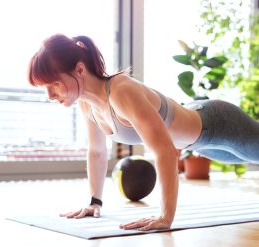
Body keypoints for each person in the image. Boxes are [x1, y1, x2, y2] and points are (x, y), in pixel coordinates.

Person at [28, 33, 259, 231]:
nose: (49, 95)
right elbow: (97, 151)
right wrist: (94, 202)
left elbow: (166, 151)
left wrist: (165, 217)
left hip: (218, 123)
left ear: (79, 69)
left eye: (54, 84)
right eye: (45, 88)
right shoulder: (87, 104)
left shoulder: (121, 91)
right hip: (201, 144)